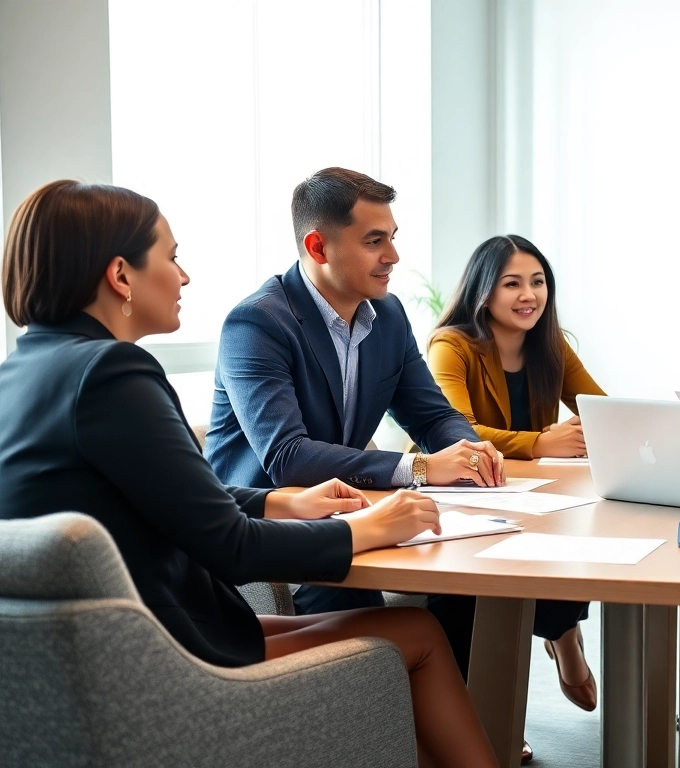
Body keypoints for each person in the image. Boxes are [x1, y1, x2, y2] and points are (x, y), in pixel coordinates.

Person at [0, 180, 498, 768]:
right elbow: (230, 549)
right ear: (120, 275)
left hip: (115, 654)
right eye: (172, 256)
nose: (183, 277)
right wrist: (370, 527)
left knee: (404, 624)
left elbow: (162, 496)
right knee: (421, 637)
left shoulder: (25, 369)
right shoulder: (115, 374)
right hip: (170, 660)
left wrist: (278, 503)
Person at [207, 168, 534, 761]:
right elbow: (286, 457)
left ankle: (447, 737)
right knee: (374, 629)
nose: (394, 255)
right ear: (318, 246)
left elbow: (433, 414)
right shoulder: (258, 322)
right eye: (375, 240)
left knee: (465, 588)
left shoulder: (388, 318)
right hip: (272, 529)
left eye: (393, 236)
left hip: (354, 508)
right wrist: (418, 469)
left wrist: (469, 448)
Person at [425, 234, 604, 711]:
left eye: (538, 282)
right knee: (467, 590)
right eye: (512, 284)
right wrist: (540, 442)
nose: (529, 295)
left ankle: (562, 633)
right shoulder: (452, 346)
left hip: (532, 493)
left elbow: (602, 411)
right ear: (484, 289)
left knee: (570, 537)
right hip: (463, 489)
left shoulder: (552, 346)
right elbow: (454, 431)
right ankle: (492, 718)